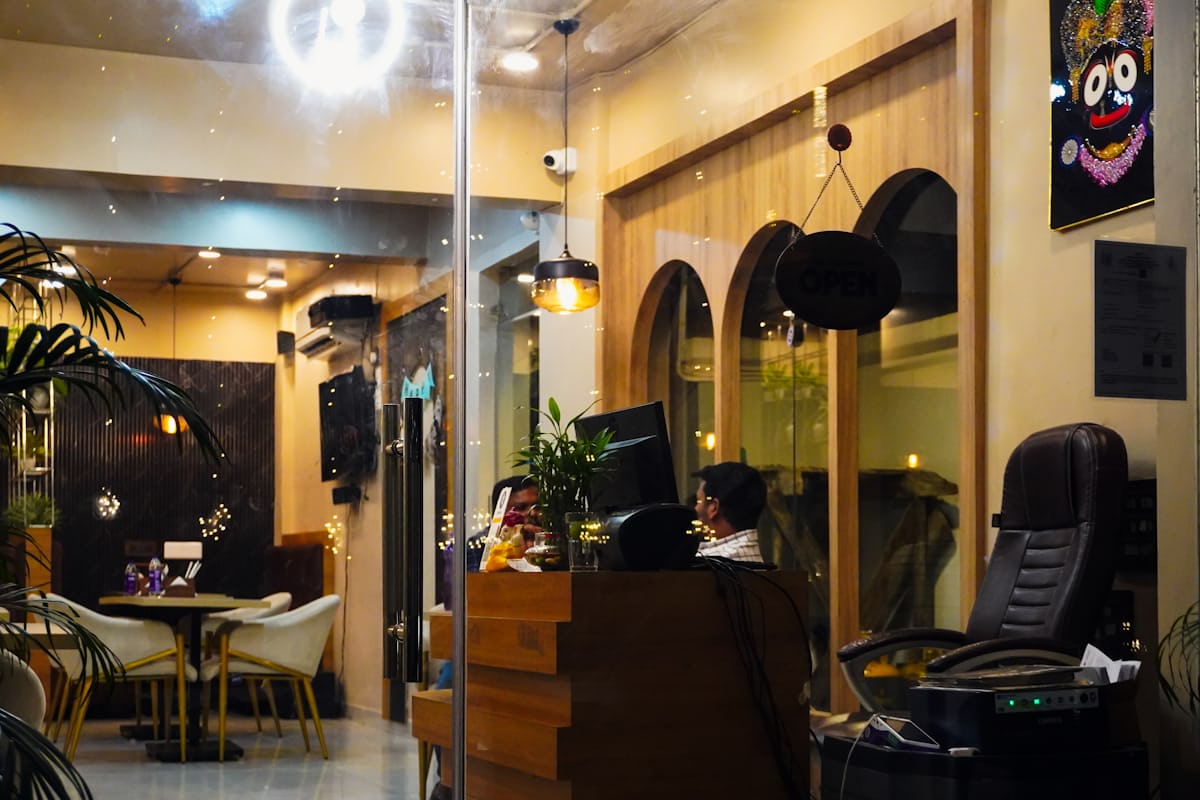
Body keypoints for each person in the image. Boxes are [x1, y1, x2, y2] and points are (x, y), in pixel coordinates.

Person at [693, 461, 767, 563]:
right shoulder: (753, 559)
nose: (696, 508)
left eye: (699, 501)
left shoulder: (707, 564)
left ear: (713, 508)